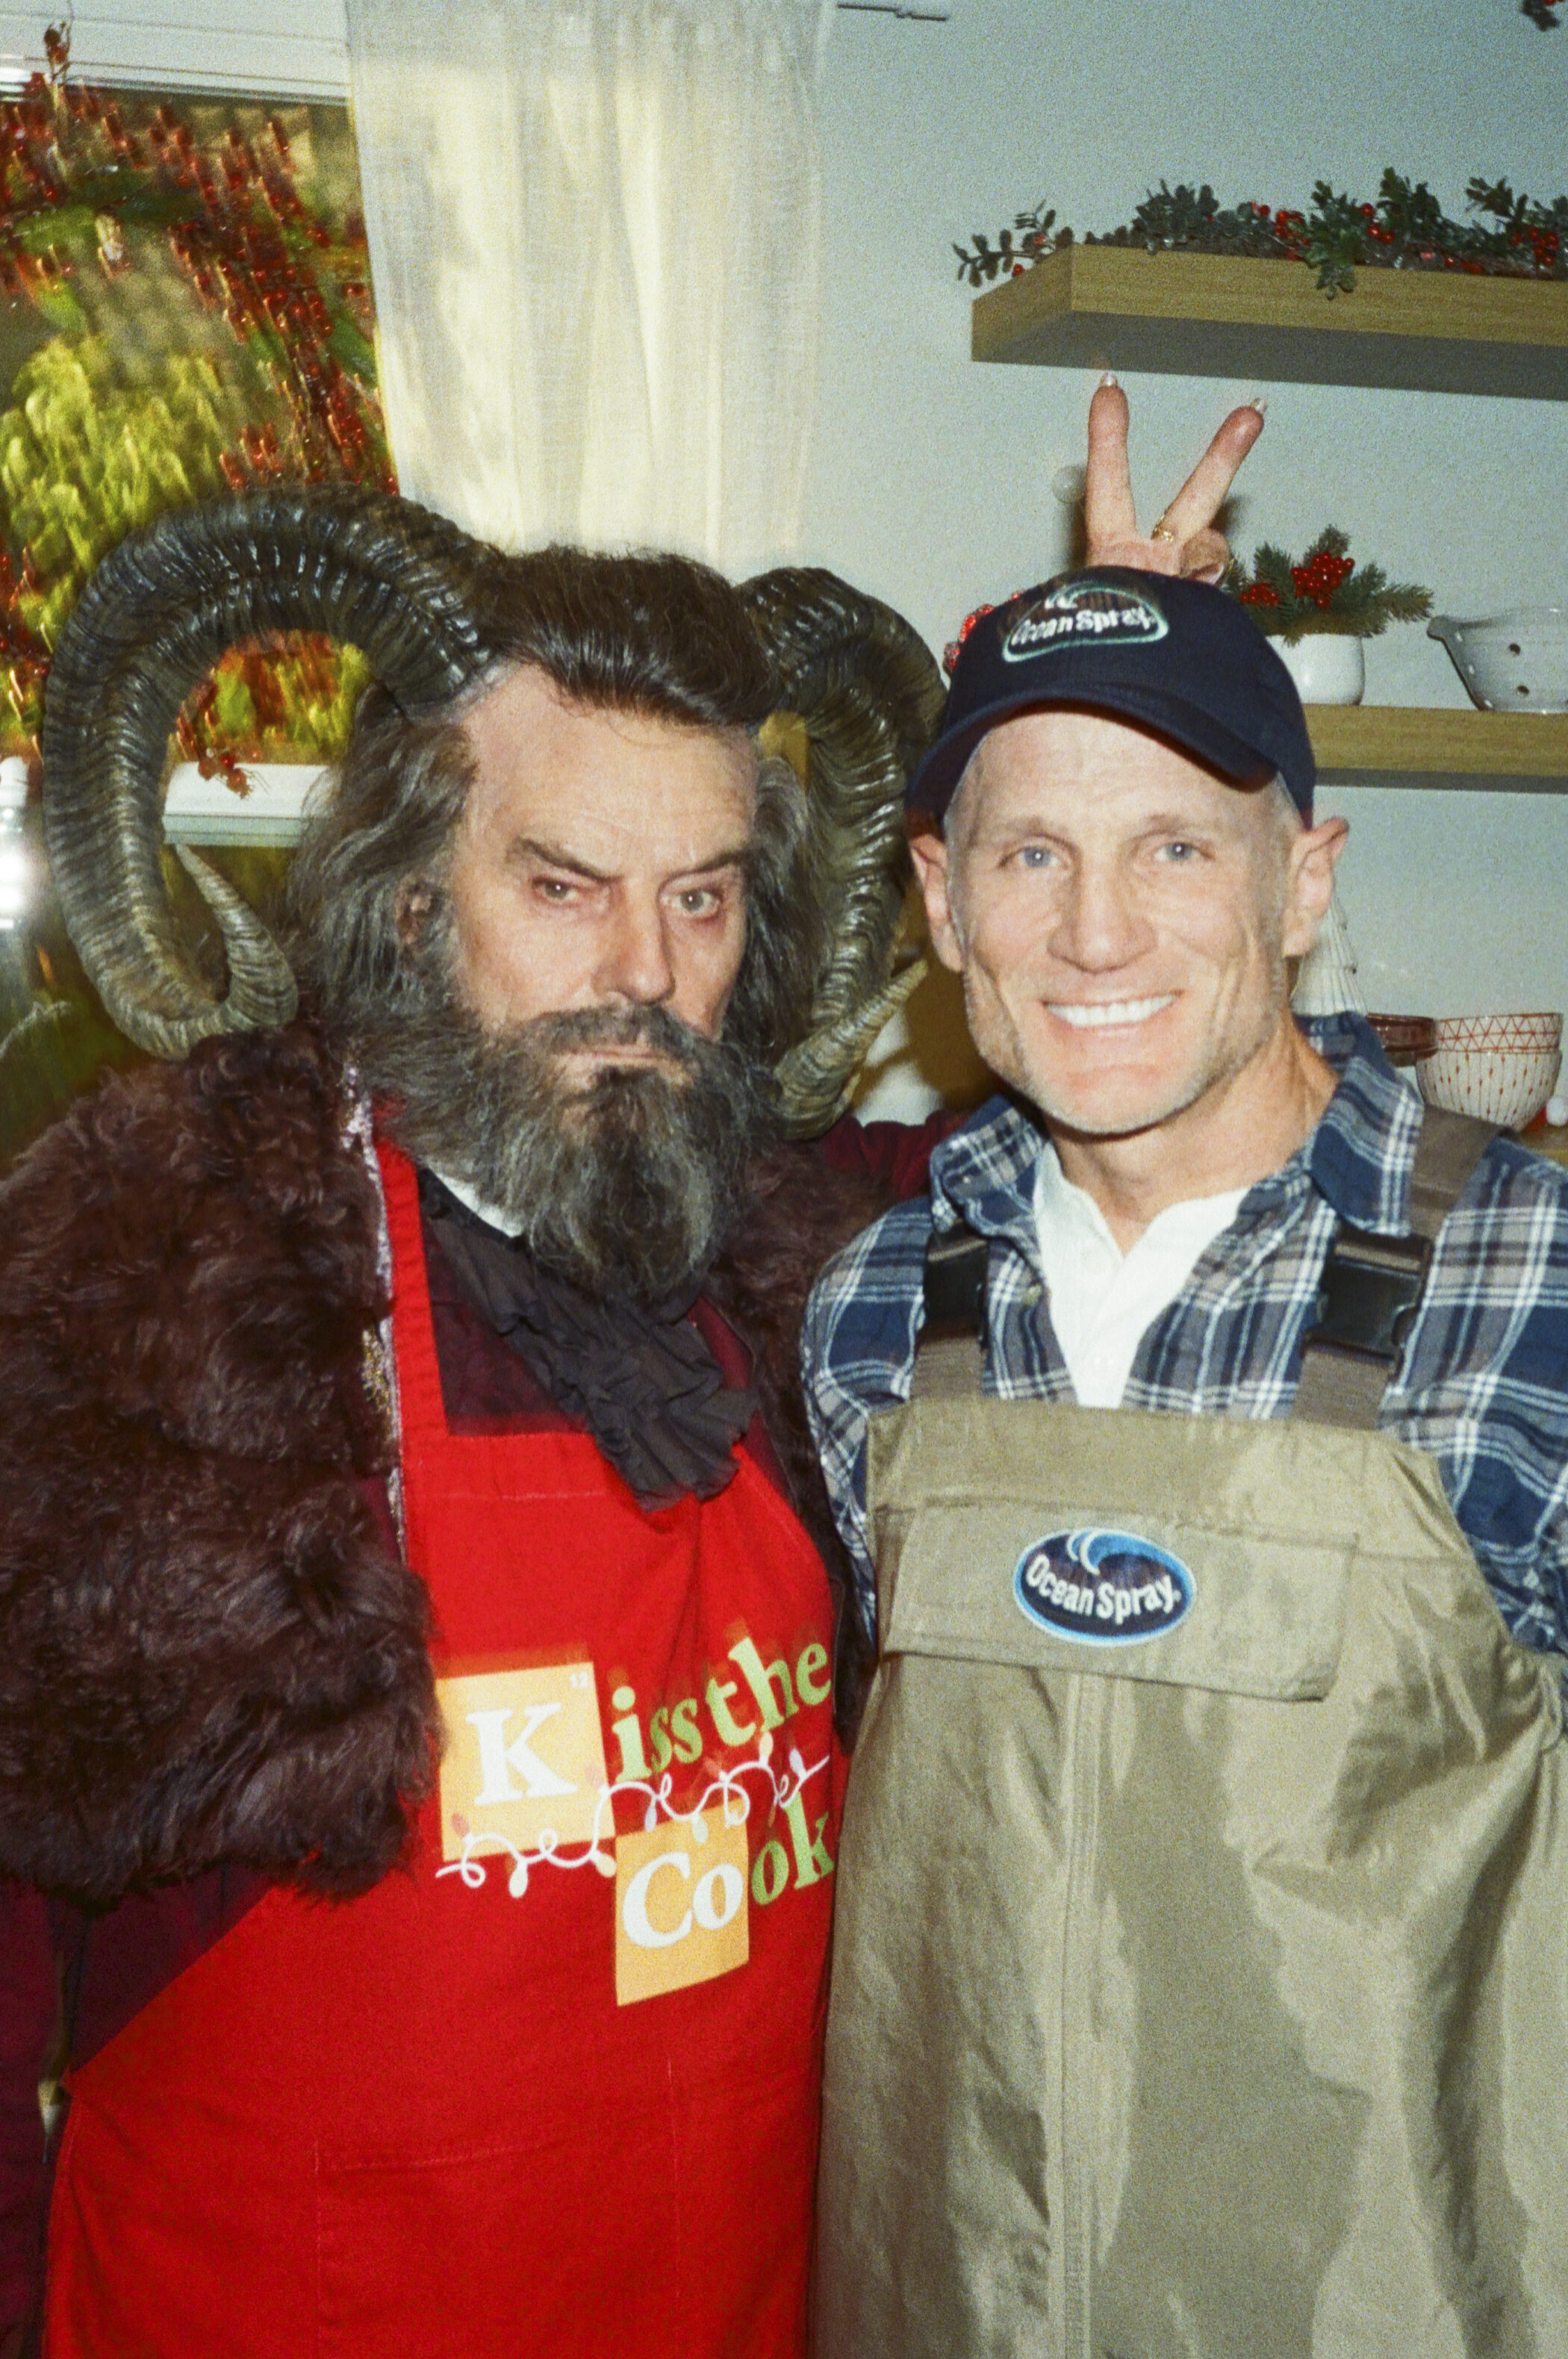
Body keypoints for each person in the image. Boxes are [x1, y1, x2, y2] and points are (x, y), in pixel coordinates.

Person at [0, 491, 945, 2359]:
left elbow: (1118, 1149)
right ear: (414, 897)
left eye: (701, 896)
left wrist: (1111, 784)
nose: (646, 976)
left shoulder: (809, 1275)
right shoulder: (165, 1308)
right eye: (563, 887)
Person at [804, 417, 1568, 2355]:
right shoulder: (870, 1314)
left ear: (1301, 880)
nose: (1095, 933)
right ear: (939, 900)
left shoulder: (1529, 1284)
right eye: (1031, 852)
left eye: (1175, 846)